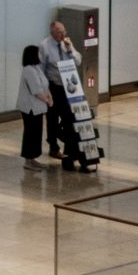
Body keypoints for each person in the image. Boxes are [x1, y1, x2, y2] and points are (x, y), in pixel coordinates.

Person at [42, 20, 95, 171]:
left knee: (68, 117)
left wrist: (70, 49)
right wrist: (45, 89)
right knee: (52, 117)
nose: (63, 35)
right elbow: (42, 68)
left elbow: (78, 61)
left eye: (64, 32)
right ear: (52, 32)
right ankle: (53, 145)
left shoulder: (67, 44)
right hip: (53, 86)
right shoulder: (45, 46)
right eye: (60, 32)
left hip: (69, 87)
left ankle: (68, 149)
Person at [19, 43, 54, 172]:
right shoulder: (28, 70)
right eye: (38, 53)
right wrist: (48, 101)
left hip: (38, 107)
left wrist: (49, 97)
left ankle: (33, 159)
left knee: (36, 133)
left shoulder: (36, 68)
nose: (40, 55)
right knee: (30, 133)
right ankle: (28, 160)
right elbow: (36, 91)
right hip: (30, 108)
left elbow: (45, 84)